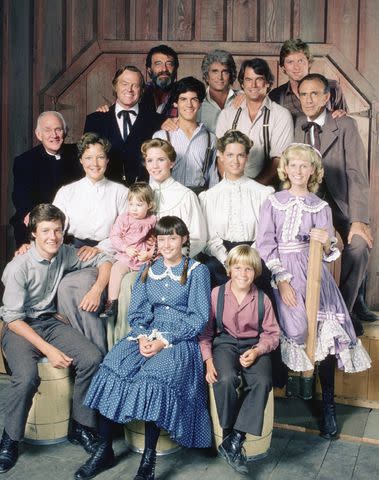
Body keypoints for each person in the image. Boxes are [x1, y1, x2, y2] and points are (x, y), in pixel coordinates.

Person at [73, 216, 212, 480]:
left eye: (173, 238)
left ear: (183, 239)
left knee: (153, 380)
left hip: (180, 340)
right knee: (111, 366)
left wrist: (163, 341)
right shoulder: (149, 270)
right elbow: (137, 314)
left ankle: (148, 460)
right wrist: (143, 337)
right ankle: (104, 451)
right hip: (147, 333)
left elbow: (198, 317)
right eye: (162, 239)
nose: (167, 244)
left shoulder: (197, 271)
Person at [256, 144, 371, 439]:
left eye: (304, 166)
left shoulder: (320, 207)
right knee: (295, 328)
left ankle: (328, 405)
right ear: (285, 169)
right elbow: (265, 243)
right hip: (284, 273)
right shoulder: (273, 202)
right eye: (293, 165)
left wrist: (327, 241)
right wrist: (281, 279)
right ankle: (281, 395)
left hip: (316, 276)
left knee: (323, 331)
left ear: (312, 171)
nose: (298, 171)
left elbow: (331, 251)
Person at [0, 204, 111, 474]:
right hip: (20, 327)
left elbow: (105, 261)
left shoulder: (63, 252)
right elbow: (12, 319)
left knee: (93, 358)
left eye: (58, 230)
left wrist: (97, 288)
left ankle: (80, 426)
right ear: (33, 234)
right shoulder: (18, 267)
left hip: (49, 322)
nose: (53, 236)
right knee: (26, 377)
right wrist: (49, 350)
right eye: (46, 231)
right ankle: (10, 440)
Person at [294, 73, 376, 332]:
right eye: (304, 94)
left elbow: (357, 175)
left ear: (327, 97)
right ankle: (310, 313)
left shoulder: (345, 125)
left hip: (341, 204)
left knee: (359, 246)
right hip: (309, 208)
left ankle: (344, 310)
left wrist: (359, 220)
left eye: (315, 94)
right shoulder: (295, 125)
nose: (308, 99)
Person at [111, 138, 207, 345]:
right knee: (121, 277)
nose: (154, 166)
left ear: (172, 162)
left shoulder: (185, 195)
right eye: (150, 160)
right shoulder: (138, 195)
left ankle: (150, 341)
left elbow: (199, 238)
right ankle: (127, 343)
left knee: (132, 283)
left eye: (161, 160)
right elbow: (122, 230)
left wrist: (164, 256)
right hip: (137, 260)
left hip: (172, 264)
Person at [199, 245, 280, 474]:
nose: (243, 274)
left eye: (248, 269)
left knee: (262, 382)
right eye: (237, 268)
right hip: (224, 344)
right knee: (224, 379)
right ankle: (227, 434)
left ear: (255, 272)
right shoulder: (216, 295)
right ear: (229, 270)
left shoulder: (263, 299)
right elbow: (205, 334)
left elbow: (272, 334)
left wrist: (258, 350)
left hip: (254, 345)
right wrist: (208, 361)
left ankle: (235, 438)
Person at [53, 132, 129, 353]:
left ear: (107, 160)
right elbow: (54, 227)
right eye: (88, 157)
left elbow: (125, 233)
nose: (94, 163)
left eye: (100, 157)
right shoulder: (67, 192)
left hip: (108, 253)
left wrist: (99, 248)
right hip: (74, 252)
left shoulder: (120, 192)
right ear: (80, 161)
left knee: (75, 287)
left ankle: (97, 354)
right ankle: (80, 351)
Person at [199, 130, 273, 288]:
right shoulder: (209, 197)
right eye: (230, 155)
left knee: (263, 272)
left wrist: (248, 260)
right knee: (208, 269)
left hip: (255, 255)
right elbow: (210, 239)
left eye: (240, 155)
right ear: (221, 156)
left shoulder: (264, 193)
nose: (236, 161)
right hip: (220, 257)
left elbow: (265, 235)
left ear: (246, 157)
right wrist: (227, 260)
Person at [216, 58, 293, 185]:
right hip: (232, 188)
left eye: (259, 79)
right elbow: (221, 158)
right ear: (242, 84)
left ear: (267, 83)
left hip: (268, 190)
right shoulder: (227, 114)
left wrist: (254, 190)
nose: (253, 85)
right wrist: (231, 186)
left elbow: (279, 161)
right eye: (248, 80)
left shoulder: (281, 115)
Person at [10, 111, 81, 246]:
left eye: (58, 129)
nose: (54, 135)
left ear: (64, 132)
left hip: (73, 221)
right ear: (39, 135)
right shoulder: (24, 161)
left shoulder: (79, 153)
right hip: (39, 218)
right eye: (47, 130)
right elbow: (20, 196)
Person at [84, 65, 163, 185]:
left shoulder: (157, 121)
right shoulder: (95, 120)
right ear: (115, 86)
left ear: (141, 90)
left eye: (135, 85)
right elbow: (86, 159)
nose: (129, 89)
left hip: (144, 196)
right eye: (125, 84)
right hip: (105, 194)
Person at [153, 76, 218, 191]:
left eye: (194, 99)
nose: (189, 104)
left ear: (200, 104)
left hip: (199, 197)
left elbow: (213, 178)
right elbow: (153, 176)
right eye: (183, 99)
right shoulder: (161, 136)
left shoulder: (210, 138)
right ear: (175, 103)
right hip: (169, 197)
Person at [101, 182, 156, 317]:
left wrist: (149, 253)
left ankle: (146, 309)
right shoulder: (124, 218)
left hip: (143, 258)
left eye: (139, 205)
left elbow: (159, 241)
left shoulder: (153, 220)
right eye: (131, 204)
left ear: (149, 205)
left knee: (148, 277)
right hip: (126, 256)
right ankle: (112, 303)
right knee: (116, 270)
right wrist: (126, 248)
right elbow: (114, 236)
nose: (134, 209)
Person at [269, 38, 347, 120]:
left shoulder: (332, 87)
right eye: (290, 62)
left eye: (300, 61)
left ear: (309, 63)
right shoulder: (275, 96)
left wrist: (341, 115)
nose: (296, 67)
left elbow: (344, 120)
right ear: (283, 68)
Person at [199, 49, 239, 133]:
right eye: (215, 71)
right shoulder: (197, 101)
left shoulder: (242, 98)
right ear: (206, 76)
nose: (220, 77)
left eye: (225, 72)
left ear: (231, 75)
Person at [142, 44, 179, 117]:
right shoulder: (140, 94)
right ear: (149, 70)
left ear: (175, 69)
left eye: (169, 64)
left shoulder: (183, 93)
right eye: (158, 64)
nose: (164, 69)